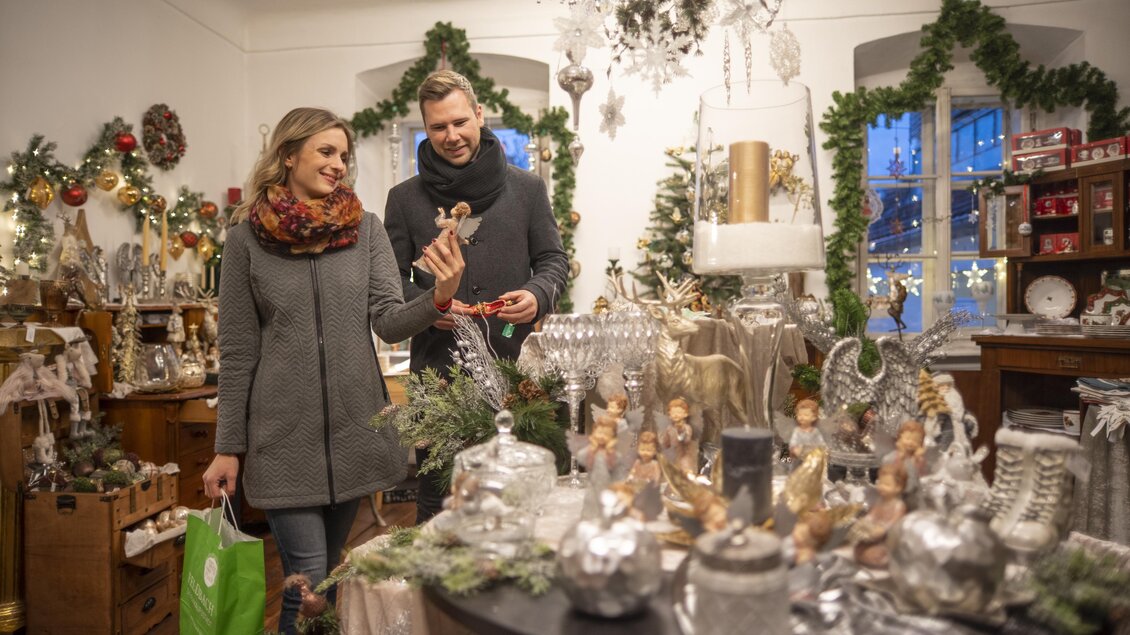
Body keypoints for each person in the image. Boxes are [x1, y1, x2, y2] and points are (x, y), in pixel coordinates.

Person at [201, 107, 465, 635]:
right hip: (281, 441)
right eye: (326, 152)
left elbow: (389, 321)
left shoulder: (364, 230)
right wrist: (228, 446)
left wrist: (439, 296)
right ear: (288, 155)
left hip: (355, 435)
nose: (339, 164)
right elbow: (237, 351)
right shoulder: (245, 242)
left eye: (344, 155)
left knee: (332, 579)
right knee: (311, 585)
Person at [383, 70, 569, 523]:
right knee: (440, 507)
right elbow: (388, 285)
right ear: (425, 129)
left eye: (460, 122)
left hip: (518, 375)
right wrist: (429, 309)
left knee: (523, 502)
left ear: (480, 115)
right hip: (440, 378)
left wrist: (537, 293)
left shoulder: (527, 189)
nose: (452, 136)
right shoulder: (404, 199)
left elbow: (553, 262)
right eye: (438, 127)